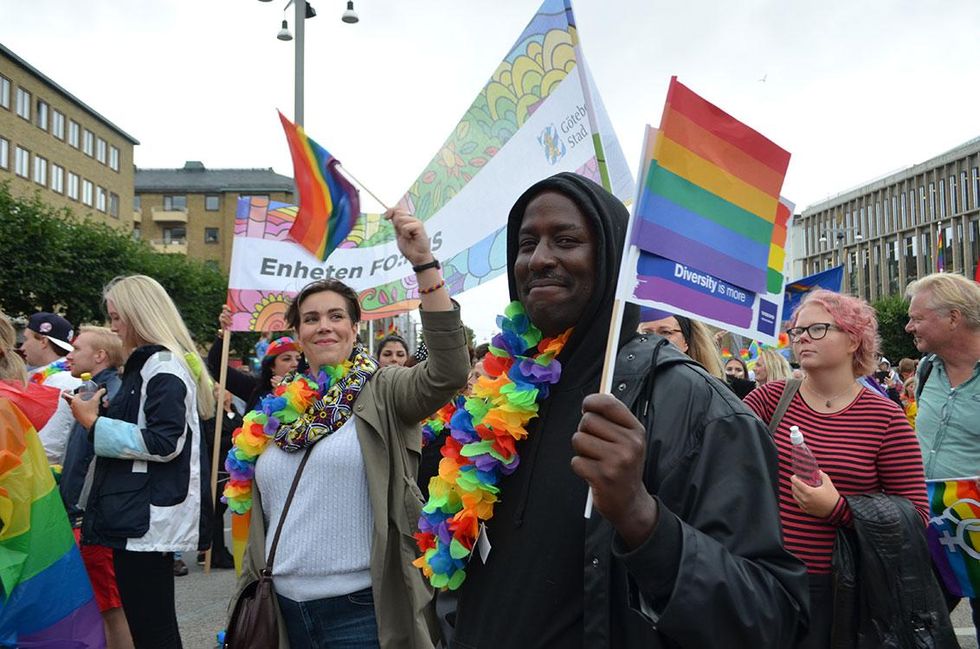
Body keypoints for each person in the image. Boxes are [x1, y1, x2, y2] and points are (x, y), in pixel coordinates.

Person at [423, 172, 806, 648]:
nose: (539, 259)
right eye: (526, 244)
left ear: (610, 260)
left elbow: (769, 616)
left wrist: (641, 516)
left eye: (566, 240)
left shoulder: (696, 406)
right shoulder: (500, 396)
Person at [226, 208, 469, 649]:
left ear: (355, 329)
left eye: (336, 316)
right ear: (298, 333)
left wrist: (423, 264)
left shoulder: (385, 389)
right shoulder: (275, 411)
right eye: (311, 318)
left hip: (360, 613)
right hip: (281, 611)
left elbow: (448, 372)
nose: (324, 326)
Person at [744, 288, 931, 648]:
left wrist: (839, 509)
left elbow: (916, 517)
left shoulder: (885, 418)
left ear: (853, 340)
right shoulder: (770, 399)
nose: (802, 338)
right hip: (765, 577)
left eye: (817, 329)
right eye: (797, 331)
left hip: (841, 589)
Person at [66, 274, 217, 649]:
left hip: (146, 519)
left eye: (117, 317)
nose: (113, 327)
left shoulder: (161, 365)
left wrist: (94, 423)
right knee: (150, 627)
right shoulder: (155, 363)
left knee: (152, 630)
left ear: (139, 315)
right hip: (142, 516)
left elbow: (165, 442)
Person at [905, 272, 980, 640]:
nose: (909, 327)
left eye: (917, 318)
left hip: (976, 531)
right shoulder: (926, 369)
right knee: (915, 627)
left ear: (953, 318)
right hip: (932, 526)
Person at [60, 326, 134, 649]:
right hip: (88, 513)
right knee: (105, 606)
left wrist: (78, 506)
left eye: (77, 349)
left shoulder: (107, 396)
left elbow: (97, 459)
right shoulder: (93, 391)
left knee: (112, 609)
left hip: (94, 515)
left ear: (100, 356)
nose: (70, 355)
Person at [207, 305, 301, 412]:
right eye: (287, 359)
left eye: (298, 359)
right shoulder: (256, 388)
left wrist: (289, 392)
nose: (295, 363)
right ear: (272, 367)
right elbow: (217, 367)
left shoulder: (311, 389)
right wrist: (223, 333)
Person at [19, 312, 82, 463]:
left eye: (26, 339)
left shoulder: (62, 381)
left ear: (43, 341)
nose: (22, 347)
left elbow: (49, 445)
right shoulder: (47, 377)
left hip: (42, 470)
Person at [638, 310, 725, 379]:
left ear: (686, 341)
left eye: (665, 332)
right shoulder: (631, 380)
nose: (654, 339)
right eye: (646, 333)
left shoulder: (701, 385)